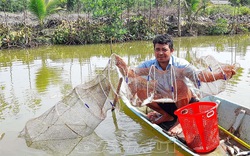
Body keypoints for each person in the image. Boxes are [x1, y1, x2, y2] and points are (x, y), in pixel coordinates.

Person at [115, 34, 236, 135]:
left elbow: (199, 76)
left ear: (171, 51)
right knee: (138, 87)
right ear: (154, 51)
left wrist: (220, 75)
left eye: (164, 49)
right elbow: (132, 74)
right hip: (166, 101)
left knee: (178, 83)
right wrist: (123, 67)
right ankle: (166, 115)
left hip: (187, 104)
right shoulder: (150, 65)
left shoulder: (180, 64)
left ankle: (180, 122)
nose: (160, 53)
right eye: (157, 49)